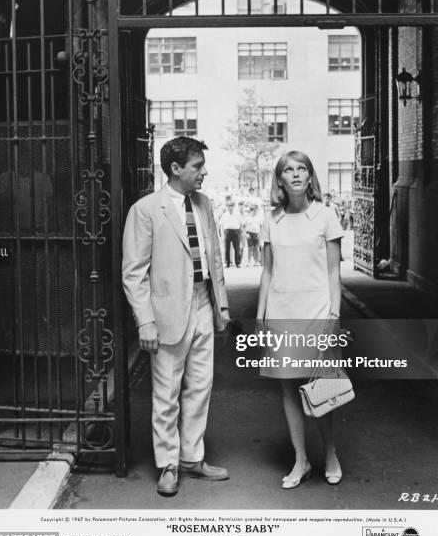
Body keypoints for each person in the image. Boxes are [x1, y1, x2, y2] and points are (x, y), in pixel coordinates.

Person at [122, 136, 230, 497]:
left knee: (200, 387)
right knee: (167, 392)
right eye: (197, 166)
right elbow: (133, 272)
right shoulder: (146, 209)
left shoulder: (204, 204)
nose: (203, 172)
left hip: (202, 303)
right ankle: (168, 464)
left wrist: (222, 306)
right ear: (175, 169)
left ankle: (191, 458)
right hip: (167, 312)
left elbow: (214, 258)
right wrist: (145, 320)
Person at [256, 151, 344, 489]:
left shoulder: (325, 216)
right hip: (280, 314)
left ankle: (331, 452)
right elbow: (266, 271)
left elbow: (334, 271)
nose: (295, 175)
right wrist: (261, 316)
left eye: (301, 169)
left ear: (310, 177)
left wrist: (333, 316)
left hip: (318, 312)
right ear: (279, 180)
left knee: (322, 385)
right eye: (287, 170)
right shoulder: (271, 220)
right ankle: (301, 460)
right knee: (289, 388)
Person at [220, 201, 243, 268]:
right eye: (228, 206)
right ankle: (227, 263)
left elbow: (241, 223)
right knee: (227, 248)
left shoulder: (237, 214)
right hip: (227, 231)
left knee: (237, 248)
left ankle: (238, 263)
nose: (230, 207)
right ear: (227, 207)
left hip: (236, 231)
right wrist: (222, 233)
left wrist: (240, 233)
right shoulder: (224, 214)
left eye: (231, 206)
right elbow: (221, 224)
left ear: (233, 206)